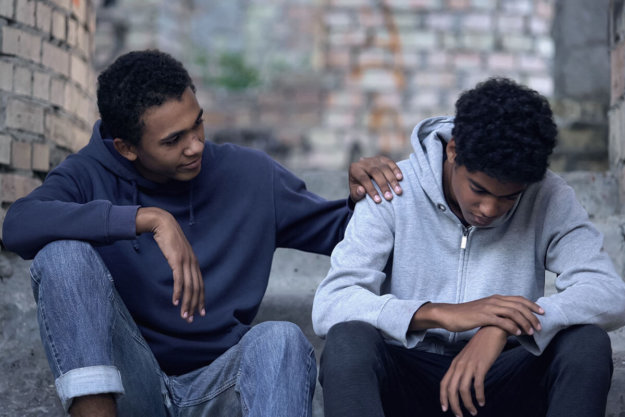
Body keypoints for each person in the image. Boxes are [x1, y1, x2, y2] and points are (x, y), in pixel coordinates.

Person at [1, 49, 404, 417]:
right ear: (126, 148)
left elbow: (344, 234)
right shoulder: (89, 173)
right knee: (63, 256)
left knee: (281, 338)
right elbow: (19, 224)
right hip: (131, 384)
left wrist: (364, 199)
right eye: (173, 140)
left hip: (221, 385)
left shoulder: (249, 176)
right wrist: (147, 218)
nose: (194, 146)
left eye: (198, 125)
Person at [312, 78, 625, 417]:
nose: (489, 209)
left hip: (500, 380)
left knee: (586, 344)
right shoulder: (392, 190)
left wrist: (503, 325)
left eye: (509, 197)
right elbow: (332, 302)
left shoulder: (549, 195)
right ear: (453, 151)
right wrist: (440, 314)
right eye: (478, 189)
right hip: (410, 380)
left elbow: (608, 291)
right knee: (348, 341)